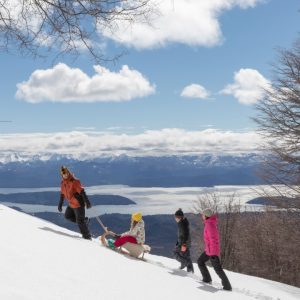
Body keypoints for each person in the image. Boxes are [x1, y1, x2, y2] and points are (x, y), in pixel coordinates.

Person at [197, 208, 232, 291]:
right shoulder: (208, 223)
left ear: (206, 216)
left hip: (212, 251)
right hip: (208, 250)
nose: (202, 216)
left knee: (217, 269)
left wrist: (212, 253)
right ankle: (207, 279)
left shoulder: (209, 225)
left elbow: (213, 239)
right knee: (200, 261)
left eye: (203, 214)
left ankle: (227, 286)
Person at [58, 166, 92, 240]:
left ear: (68, 172)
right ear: (62, 175)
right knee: (67, 216)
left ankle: (87, 237)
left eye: (66, 173)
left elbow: (82, 191)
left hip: (78, 204)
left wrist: (87, 201)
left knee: (80, 221)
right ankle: (85, 220)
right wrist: (60, 204)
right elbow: (62, 194)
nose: (65, 175)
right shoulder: (63, 183)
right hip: (71, 204)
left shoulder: (74, 181)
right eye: (64, 174)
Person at [173, 208, 194, 273]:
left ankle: (184, 263)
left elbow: (185, 234)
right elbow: (183, 235)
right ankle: (190, 271)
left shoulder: (182, 224)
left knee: (175, 253)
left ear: (178, 217)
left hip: (183, 243)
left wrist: (184, 244)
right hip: (185, 242)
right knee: (187, 256)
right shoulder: (183, 222)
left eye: (175, 217)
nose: (175, 218)